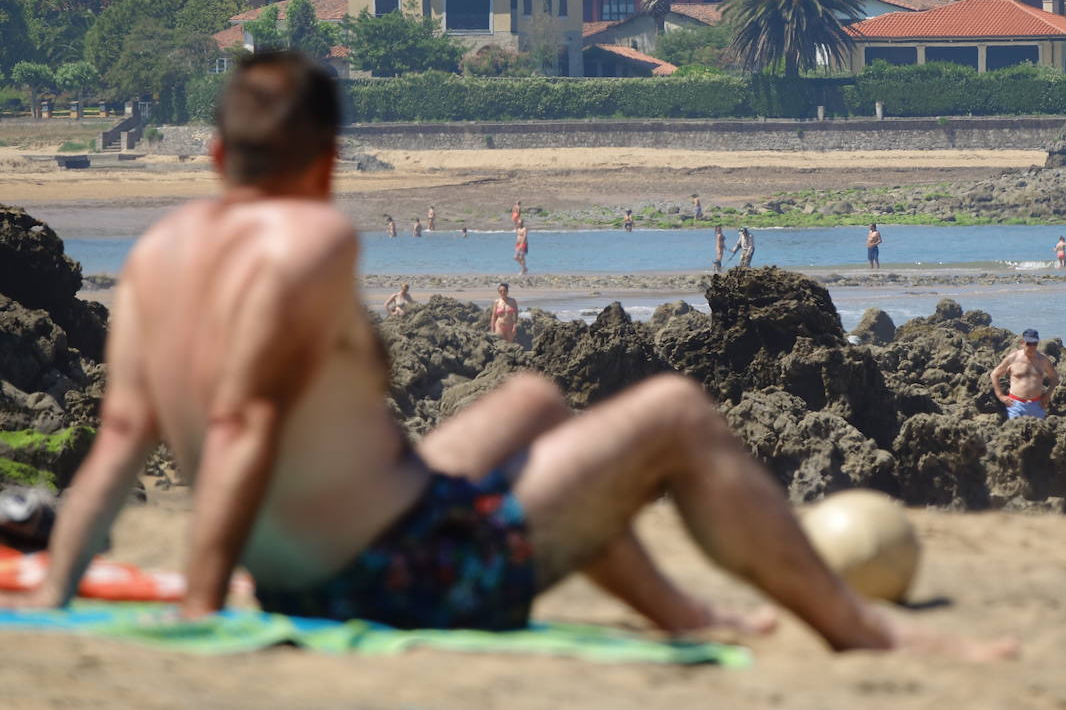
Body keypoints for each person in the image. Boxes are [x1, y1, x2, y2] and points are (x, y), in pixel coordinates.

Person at [0, 51, 1014, 660]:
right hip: (395, 572)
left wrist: (57, 592)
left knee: (532, 397)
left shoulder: (155, 257)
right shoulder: (311, 237)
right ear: (328, 162)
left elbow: (126, 437)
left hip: (338, 547)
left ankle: (684, 611)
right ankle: (862, 633)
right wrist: (207, 602)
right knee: (671, 415)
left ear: (217, 157)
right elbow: (243, 421)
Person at [989, 329, 1059, 420]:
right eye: (1029, 343)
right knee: (1016, 433)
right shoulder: (1013, 358)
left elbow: (1054, 377)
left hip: (1037, 405)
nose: (1031, 347)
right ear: (1022, 342)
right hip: (1016, 405)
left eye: (1034, 344)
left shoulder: (1043, 360)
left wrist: (1047, 395)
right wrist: (1000, 396)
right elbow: (994, 374)